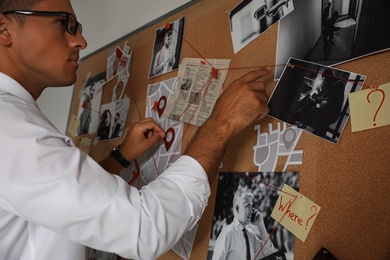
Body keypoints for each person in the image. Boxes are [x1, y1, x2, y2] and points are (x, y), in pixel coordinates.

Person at [0, 0, 272, 259]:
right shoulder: (9, 128)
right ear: (4, 30)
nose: (80, 41)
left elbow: (56, 206)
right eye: (63, 23)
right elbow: (144, 229)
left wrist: (119, 157)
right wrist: (221, 123)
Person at [212, 188, 275, 260]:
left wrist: (261, 225)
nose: (252, 210)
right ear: (237, 209)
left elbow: (270, 255)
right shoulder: (228, 233)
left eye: (251, 206)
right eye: (248, 206)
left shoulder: (251, 234)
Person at [293, 68, 345, 136]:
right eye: (324, 79)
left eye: (325, 79)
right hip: (324, 105)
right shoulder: (327, 84)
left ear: (330, 78)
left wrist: (319, 99)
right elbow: (320, 94)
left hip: (333, 111)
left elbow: (331, 99)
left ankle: (319, 129)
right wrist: (316, 93)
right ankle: (298, 113)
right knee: (309, 97)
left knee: (324, 103)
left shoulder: (339, 84)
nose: (325, 81)